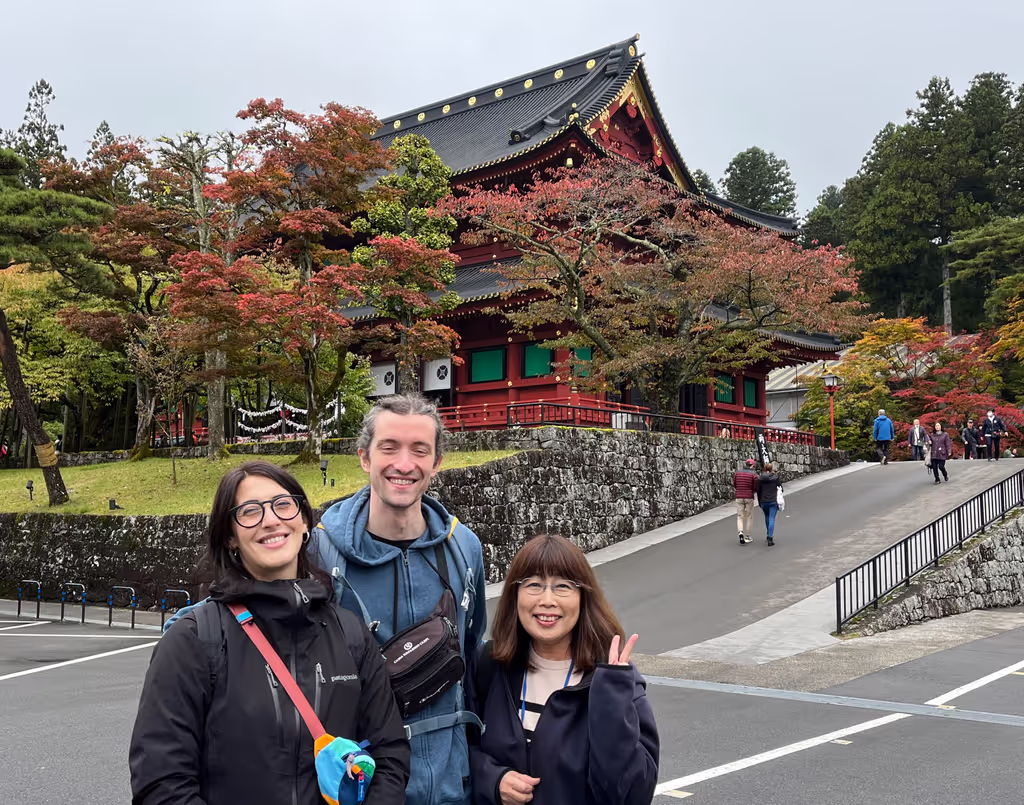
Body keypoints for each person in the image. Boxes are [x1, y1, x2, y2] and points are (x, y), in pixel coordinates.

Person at [129, 461, 410, 804]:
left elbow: (390, 751)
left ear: (304, 521)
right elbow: (161, 782)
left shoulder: (349, 632)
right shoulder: (194, 640)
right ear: (230, 536)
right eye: (249, 511)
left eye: (282, 504)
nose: (271, 520)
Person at [313, 394, 489, 805]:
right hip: (360, 787)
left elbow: (472, 650)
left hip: (452, 787)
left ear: (437, 462)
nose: (404, 464)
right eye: (389, 448)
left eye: (420, 450)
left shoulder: (463, 547)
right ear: (364, 458)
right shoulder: (321, 552)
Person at [468, 534, 659, 805]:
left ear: (583, 597)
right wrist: (492, 780)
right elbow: (457, 751)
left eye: (563, 586)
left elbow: (632, 796)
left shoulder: (612, 679)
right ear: (514, 594)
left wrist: (612, 703)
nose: (547, 600)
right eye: (534, 584)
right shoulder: (488, 665)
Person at [733, 458, 760, 545]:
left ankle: (740, 532)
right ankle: (747, 536)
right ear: (752, 465)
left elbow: (735, 484)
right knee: (749, 516)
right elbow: (755, 487)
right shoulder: (753, 475)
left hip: (739, 496)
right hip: (749, 497)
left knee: (740, 516)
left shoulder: (737, 473)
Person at [757, 462, 783, 547]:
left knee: (767, 517)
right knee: (772, 518)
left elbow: (758, 491)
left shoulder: (760, 478)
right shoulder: (775, 478)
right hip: (773, 500)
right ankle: (770, 537)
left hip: (764, 501)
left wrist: (759, 502)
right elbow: (781, 489)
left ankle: (768, 532)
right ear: (772, 469)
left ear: (764, 469)